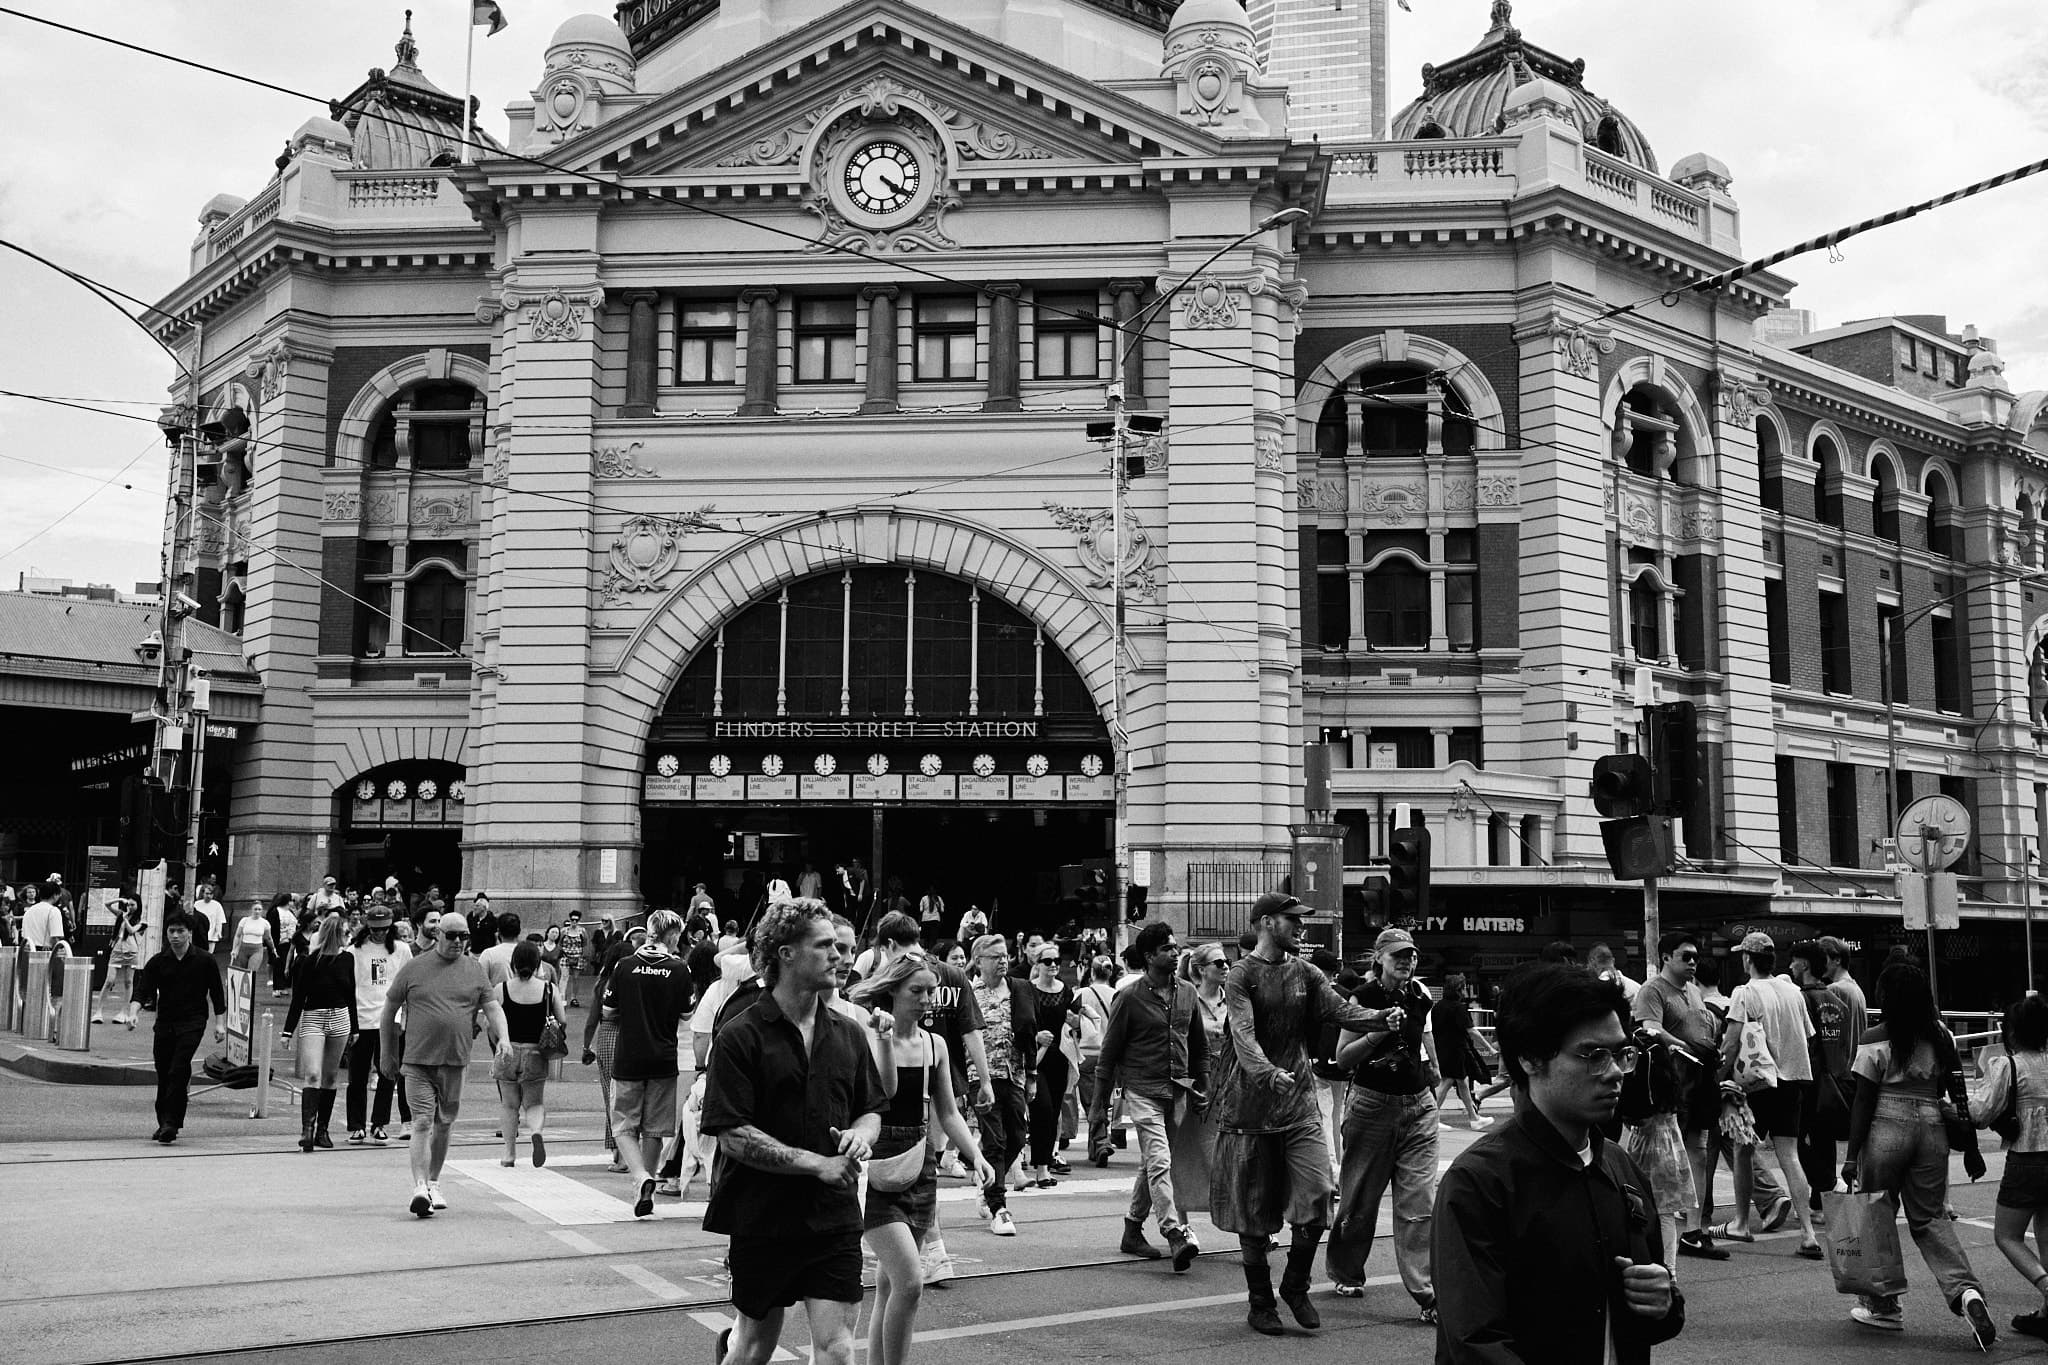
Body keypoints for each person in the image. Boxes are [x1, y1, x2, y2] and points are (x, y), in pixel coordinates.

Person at [1434, 963, 1683, 1363]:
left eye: (1622, 1054)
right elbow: (1474, 1343)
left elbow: (1650, 1316)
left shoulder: (1622, 1170)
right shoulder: (1480, 1182)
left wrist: (1664, 1301)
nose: (1615, 1072)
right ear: (1531, 1058)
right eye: (1593, 1055)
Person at [701, 899, 886, 1365]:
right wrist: (816, 1164)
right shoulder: (740, 1035)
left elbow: (872, 1109)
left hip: (834, 1218)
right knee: (754, 1346)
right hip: (763, 1218)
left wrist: (862, 1134)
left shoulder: (848, 1032)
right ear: (786, 954)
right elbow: (733, 1134)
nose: (840, 956)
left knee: (838, 1348)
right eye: (824, 946)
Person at [1208, 893, 1396, 1336]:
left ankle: (1295, 1285)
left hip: (1297, 1106)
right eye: (1293, 920)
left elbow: (1340, 1009)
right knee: (1253, 1213)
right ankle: (1260, 1303)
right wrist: (1266, 1072)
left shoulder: (1306, 972)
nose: (1301, 927)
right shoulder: (1241, 975)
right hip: (1249, 1109)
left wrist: (1379, 1018)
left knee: (1317, 1195)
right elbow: (1243, 1035)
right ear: (1267, 922)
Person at [851, 952, 993, 1365]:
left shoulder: (936, 1044)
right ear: (892, 990)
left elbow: (948, 1112)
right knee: (910, 1282)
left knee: (890, 1284)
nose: (927, 998)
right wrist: (882, 1037)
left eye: (932, 991)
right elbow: (885, 1093)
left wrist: (975, 1156)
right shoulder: (870, 1036)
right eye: (917, 991)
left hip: (919, 1164)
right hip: (876, 1166)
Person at [1841, 961, 1993, 1346]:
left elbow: (1862, 1099)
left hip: (1886, 1124)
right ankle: (1965, 1292)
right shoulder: (1940, 1036)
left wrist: (1850, 1156)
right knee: (1930, 1219)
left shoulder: (1875, 1036)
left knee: (1877, 1214)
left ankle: (1884, 1308)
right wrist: (1972, 1148)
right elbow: (1958, 1091)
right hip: (1932, 1126)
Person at [1328, 926, 1441, 1316]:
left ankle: (1428, 1294)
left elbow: (1425, 1036)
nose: (1406, 962)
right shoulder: (1363, 998)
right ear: (1379, 959)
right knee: (1359, 1200)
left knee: (1420, 1203)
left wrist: (1435, 1070)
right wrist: (1378, 1029)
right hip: (1371, 1107)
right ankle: (1345, 1269)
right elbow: (1343, 1058)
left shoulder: (1420, 995)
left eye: (1411, 955)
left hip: (1418, 1106)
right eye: (1398, 956)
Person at [1090, 920, 1208, 1270]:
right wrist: (1098, 1106)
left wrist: (1204, 1085)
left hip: (1179, 1090)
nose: (1176, 953)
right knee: (1160, 1162)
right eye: (1168, 948)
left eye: (1175, 948)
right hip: (1142, 1090)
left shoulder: (1187, 992)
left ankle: (1131, 1229)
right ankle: (1174, 1233)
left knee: (1152, 1164)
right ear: (1149, 956)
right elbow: (1107, 1056)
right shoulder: (1128, 997)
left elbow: (1198, 1045)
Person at [379, 911, 511, 1217]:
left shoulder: (474, 970)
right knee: (422, 1121)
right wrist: (387, 1053)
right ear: (438, 935)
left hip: (455, 1061)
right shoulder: (415, 967)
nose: (458, 942)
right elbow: (389, 1011)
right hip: (417, 1061)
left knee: (445, 1123)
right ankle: (419, 1186)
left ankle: (435, 1181)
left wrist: (503, 1037)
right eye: (451, 935)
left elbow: (492, 1008)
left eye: (463, 936)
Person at [1715, 931, 1823, 1260]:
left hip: (1758, 1084)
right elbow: (1808, 1035)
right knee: (1789, 1155)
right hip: (1792, 1082)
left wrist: (1719, 1075)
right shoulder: (1793, 991)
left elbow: (1732, 1043)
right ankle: (1808, 1233)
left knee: (1742, 1149)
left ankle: (1741, 1223)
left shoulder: (1744, 993)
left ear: (1747, 959)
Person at [1630, 931, 1728, 1264]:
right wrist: (1687, 1047)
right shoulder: (1652, 990)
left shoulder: (1693, 991)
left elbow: (1702, 1028)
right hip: (1669, 1090)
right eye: (1685, 956)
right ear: (1666, 957)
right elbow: (1649, 1030)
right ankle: (1660, 1228)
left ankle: (1693, 1230)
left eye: (1695, 957)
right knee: (1667, 1161)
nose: (1691, 962)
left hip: (1699, 1083)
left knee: (1698, 1153)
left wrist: (1711, 1051)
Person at [604, 910, 694, 1216]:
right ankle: (648, 1186)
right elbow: (686, 1014)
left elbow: (608, 1010)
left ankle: (640, 1176)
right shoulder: (680, 969)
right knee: (654, 1128)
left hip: (629, 1055)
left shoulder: (625, 966)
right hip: (664, 1057)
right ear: (671, 936)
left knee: (624, 1125)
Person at [1973, 995, 2048, 1339]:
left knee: (2007, 1235)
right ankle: (2045, 1315)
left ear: (2012, 1031)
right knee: (2046, 1236)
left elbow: (1980, 1113)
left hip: (2026, 1161)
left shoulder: (2008, 1065)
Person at [131, 913, 226, 1144]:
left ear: (189, 933)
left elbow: (217, 993)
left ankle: (172, 1124)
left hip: (193, 1022)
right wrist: (133, 1012)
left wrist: (220, 1024)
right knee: (164, 1072)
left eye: (180, 931)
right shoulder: (158, 961)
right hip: (165, 1023)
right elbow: (142, 991)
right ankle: (163, 1121)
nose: (175, 936)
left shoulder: (205, 960)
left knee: (178, 1068)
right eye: (171, 931)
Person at [968, 933, 1037, 1236]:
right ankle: (999, 1205)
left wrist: (1032, 1075)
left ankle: (988, 1180)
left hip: (1014, 1074)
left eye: (1004, 954)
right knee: (994, 1141)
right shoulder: (970, 993)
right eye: (994, 956)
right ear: (978, 960)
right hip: (980, 1077)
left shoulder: (1020, 989)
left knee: (1018, 1138)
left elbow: (1031, 1031)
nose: (1002, 960)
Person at [281, 912, 358, 1151]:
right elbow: (298, 998)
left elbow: (351, 994)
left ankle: (322, 1130)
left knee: (331, 1075)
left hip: (340, 1017)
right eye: (346, 932)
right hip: (314, 1017)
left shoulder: (347, 960)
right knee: (313, 1073)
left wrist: (354, 1027)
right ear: (336, 935)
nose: (349, 936)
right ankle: (308, 1129)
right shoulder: (308, 961)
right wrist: (287, 1031)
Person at [1786, 940, 1853, 1211]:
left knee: (1795, 1141)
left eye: (1793, 961)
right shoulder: (1837, 1000)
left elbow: (1804, 1044)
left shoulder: (1801, 999)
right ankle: (1821, 1199)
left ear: (1803, 964)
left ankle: (1827, 1184)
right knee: (1825, 1141)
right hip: (1836, 1079)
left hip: (1810, 1080)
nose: (1790, 966)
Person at [497, 938, 567, 1168]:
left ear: (513, 964)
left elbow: (492, 1023)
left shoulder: (502, 989)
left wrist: (498, 1042)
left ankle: (509, 1154)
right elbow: (562, 1020)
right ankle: (536, 1131)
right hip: (536, 1052)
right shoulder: (548, 989)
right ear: (538, 964)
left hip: (508, 1050)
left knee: (509, 1105)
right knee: (534, 1103)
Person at [345, 903, 412, 1143]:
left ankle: (379, 1123)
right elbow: (348, 987)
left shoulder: (402, 950)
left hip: (389, 1020)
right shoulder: (354, 951)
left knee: (388, 1074)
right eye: (375, 928)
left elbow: (408, 986)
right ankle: (356, 1125)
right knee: (357, 1076)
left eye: (384, 929)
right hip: (362, 1019)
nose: (379, 933)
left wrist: (404, 1017)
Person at [1024, 939, 1078, 1187]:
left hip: (1059, 1057)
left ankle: (1043, 1167)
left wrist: (1079, 1021)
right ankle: (1039, 1165)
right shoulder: (1027, 989)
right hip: (1036, 1056)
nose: (1054, 965)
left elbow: (1073, 1021)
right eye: (1048, 961)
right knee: (1042, 1109)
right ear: (1038, 964)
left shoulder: (1065, 990)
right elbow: (1019, 1024)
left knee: (1053, 1110)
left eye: (1057, 961)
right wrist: (1036, 1036)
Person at [1430, 974, 1491, 1129]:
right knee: (1447, 1082)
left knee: (1462, 1082)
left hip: (1442, 1048)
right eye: (1464, 988)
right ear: (1459, 989)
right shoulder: (1459, 1007)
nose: (1465, 991)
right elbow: (1472, 1031)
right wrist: (1489, 1047)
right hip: (1455, 1050)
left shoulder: (1438, 1006)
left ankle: (1473, 1118)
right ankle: (1431, 1120)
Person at [94, 896, 147, 1028]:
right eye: (128, 904)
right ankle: (98, 1011)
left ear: (138, 906)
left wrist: (125, 918)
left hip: (132, 951)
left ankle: (124, 1012)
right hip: (117, 950)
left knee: (129, 982)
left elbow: (131, 931)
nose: (130, 907)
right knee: (109, 981)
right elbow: (106, 904)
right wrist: (119, 900)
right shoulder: (121, 914)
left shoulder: (142, 921)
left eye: (133, 905)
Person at [1818, 934, 1869, 1044]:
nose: (1819, 964)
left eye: (1823, 959)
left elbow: (1830, 1037)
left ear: (1837, 960)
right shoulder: (1856, 989)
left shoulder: (1834, 990)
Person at [228, 898, 273, 974]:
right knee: (242, 973)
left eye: (259, 909)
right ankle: (243, 986)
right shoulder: (244, 920)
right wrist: (234, 949)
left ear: (262, 910)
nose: (257, 911)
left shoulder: (265, 923)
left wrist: (273, 948)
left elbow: (268, 938)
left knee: (251, 972)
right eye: (255, 909)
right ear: (251, 909)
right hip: (244, 948)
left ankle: (251, 986)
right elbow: (238, 936)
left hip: (257, 949)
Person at [478, 912, 521, 986]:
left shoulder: (488, 954)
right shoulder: (530, 952)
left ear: (498, 931)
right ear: (519, 931)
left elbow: (480, 982)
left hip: (496, 996)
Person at [191, 881, 227, 962]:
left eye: (211, 894)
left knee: (208, 956)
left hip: (211, 934)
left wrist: (218, 932)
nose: (209, 896)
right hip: (199, 934)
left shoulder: (217, 905)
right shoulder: (196, 904)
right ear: (203, 893)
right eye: (207, 893)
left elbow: (219, 920)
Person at [559, 909, 587, 1007]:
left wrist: (581, 955)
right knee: (564, 977)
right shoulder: (564, 931)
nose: (574, 922)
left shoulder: (582, 931)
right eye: (572, 920)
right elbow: (560, 943)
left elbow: (585, 943)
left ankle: (574, 997)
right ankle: (561, 997)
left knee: (576, 978)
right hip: (565, 956)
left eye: (576, 920)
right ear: (570, 920)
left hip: (577, 957)